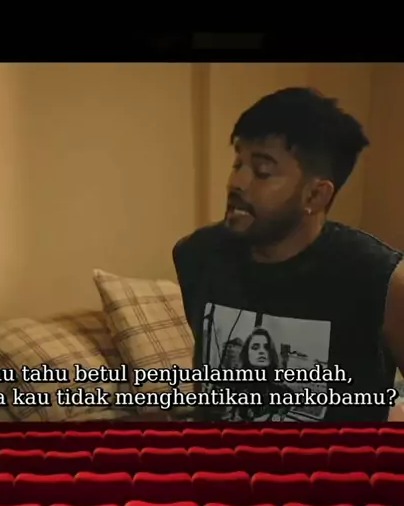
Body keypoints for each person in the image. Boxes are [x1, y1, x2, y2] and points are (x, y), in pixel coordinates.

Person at [172, 87, 404, 423]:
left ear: (315, 195)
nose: (237, 182)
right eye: (238, 162)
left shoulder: (381, 280)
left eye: (262, 171)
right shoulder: (197, 255)